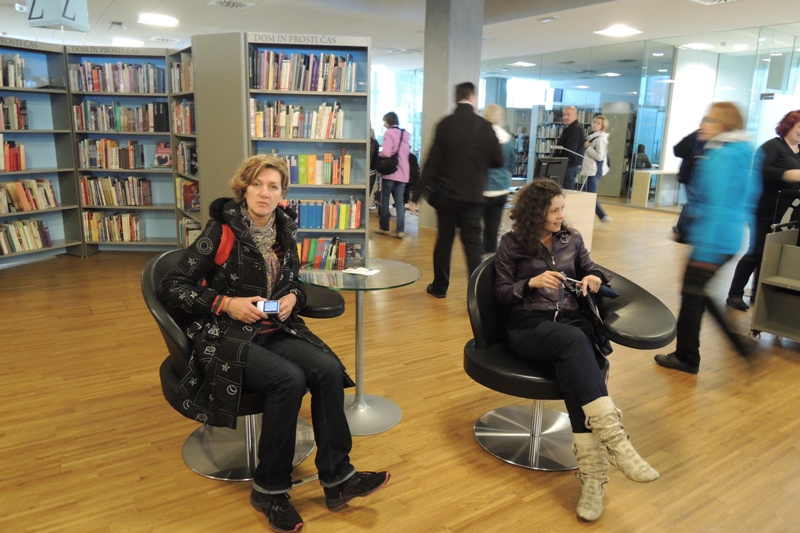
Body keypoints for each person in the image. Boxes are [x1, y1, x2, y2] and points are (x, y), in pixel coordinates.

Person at [158, 154, 389, 532]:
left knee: (328, 369)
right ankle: (270, 489)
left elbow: (294, 281)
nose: (264, 193)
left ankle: (338, 477)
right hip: (226, 334)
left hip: (274, 329)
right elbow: (171, 286)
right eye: (257, 184)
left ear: (282, 194)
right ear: (244, 188)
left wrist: (294, 297)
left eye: (273, 186)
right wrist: (225, 303)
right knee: (289, 380)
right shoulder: (221, 230)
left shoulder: (284, 230)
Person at [494, 180, 659, 522]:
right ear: (535, 213)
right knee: (575, 343)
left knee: (574, 371)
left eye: (562, 208)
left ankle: (593, 478)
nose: (561, 216)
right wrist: (530, 283)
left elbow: (591, 268)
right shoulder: (512, 243)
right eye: (554, 210)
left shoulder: (572, 239)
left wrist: (594, 278)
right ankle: (617, 443)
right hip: (528, 325)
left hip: (570, 324)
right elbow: (501, 293)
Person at [655, 102, 758, 374]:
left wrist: (705, 248)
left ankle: (688, 357)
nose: (703, 125)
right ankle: (730, 348)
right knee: (697, 294)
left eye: (709, 120)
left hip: (713, 239)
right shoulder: (742, 152)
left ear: (724, 125)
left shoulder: (721, 156)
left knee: (692, 296)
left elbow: (715, 204)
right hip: (727, 237)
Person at [409, 81, 504, 298]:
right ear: (473, 98)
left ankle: (440, 287)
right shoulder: (485, 126)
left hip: (447, 197)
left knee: (444, 240)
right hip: (473, 196)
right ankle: (477, 292)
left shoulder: (445, 124)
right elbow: (499, 160)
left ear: (456, 98)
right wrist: (478, 163)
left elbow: (431, 162)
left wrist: (416, 195)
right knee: (472, 245)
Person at [726, 109, 800, 311]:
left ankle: (758, 293)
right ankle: (735, 294)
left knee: (774, 253)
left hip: (787, 215)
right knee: (757, 251)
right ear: (788, 126)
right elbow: (761, 170)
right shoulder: (773, 146)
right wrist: (787, 174)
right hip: (765, 210)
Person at [482, 104, 516, 253]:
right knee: (493, 227)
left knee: (478, 226)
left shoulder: (481, 137)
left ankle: (480, 257)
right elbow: (512, 164)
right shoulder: (508, 139)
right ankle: (491, 256)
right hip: (502, 188)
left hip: (483, 188)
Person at [375, 111, 411, 239]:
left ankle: (384, 227)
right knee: (399, 202)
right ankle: (400, 231)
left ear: (389, 121)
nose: (384, 124)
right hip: (403, 172)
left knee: (385, 199)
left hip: (391, 171)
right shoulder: (405, 135)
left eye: (385, 121)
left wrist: (378, 154)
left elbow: (386, 152)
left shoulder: (389, 133)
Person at [672, 129, 706, 237]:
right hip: (692, 175)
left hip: (695, 175)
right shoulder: (698, 135)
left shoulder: (699, 135)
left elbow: (678, 150)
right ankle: (685, 230)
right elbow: (678, 150)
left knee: (693, 203)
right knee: (694, 203)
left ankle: (683, 229)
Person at [581, 115, 612, 223]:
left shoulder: (600, 139)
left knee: (590, 195)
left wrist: (588, 147)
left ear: (602, 126)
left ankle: (603, 216)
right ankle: (589, 217)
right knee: (588, 195)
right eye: (594, 122)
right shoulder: (593, 137)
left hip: (594, 171)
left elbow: (599, 156)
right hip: (590, 170)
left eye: (598, 123)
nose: (595, 124)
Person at [554, 106, 585, 190]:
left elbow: (570, 149)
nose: (565, 117)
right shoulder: (569, 128)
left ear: (576, 115)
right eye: (564, 115)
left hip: (569, 165)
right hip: (565, 165)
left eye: (568, 114)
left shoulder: (576, 129)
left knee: (567, 191)